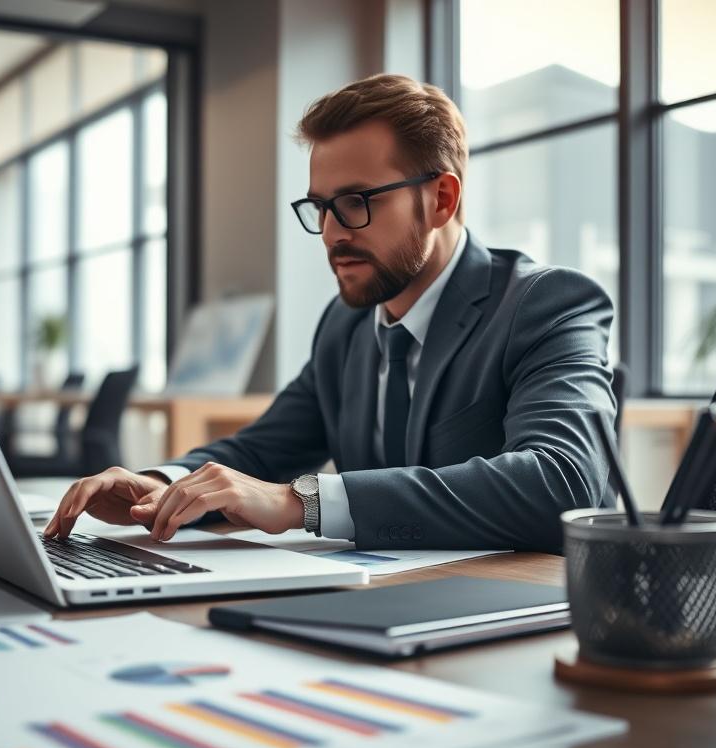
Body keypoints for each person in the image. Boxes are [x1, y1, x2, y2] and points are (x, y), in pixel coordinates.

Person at [44, 73, 616, 554]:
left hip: (521, 615)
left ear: (442, 199)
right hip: (379, 605)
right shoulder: (345, 327)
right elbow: (256, 453)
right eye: (320, 207)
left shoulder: (547, 304)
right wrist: (157, 486)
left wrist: (302, 502)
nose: (332, 234)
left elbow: (564, 482)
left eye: (357, 202)